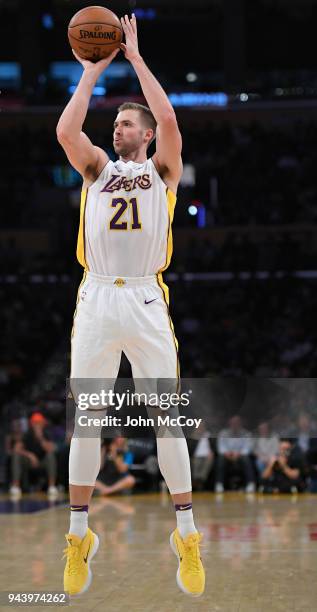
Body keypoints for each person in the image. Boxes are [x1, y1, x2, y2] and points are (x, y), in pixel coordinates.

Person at [57, 14, 205, 598]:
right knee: (87, 420)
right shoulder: (96, 168)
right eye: (114, 124)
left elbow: (168, 117)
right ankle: (77, 537)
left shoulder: (162, 171)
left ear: (142, 135)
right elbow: (68, 133)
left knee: (167, 419)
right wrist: (92, 73)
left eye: (123, 124)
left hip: (145, 296)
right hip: (95, 295)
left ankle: (187, 536)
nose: (115, 128)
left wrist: (136, 59)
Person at [9, 412, 58, 499]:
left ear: (43, 424)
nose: (37, 425)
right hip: (29, 462)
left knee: (50, 456)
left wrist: (41, 438)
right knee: (16, 457)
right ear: (31, 424)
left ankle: (52, 487)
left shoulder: (46, 434)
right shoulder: (27, 434)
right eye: (35, 423)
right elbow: (16, 449)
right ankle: (15, 486)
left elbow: (51, 449)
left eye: (39, 423)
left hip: (42, 462)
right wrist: (30, 455)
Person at [215, 415, 256, 493]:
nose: (235, 425)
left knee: (246, 458)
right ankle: (219, 484)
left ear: (240, 423)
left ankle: (250, 483)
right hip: (227, 456)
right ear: (229, 423)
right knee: (220, 459)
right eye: (233, 423)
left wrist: (238, 454)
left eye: (237, 423)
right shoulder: (223, 433)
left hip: (240, 456)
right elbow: (221, 447)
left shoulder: (246, 434)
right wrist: (227, 453)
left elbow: (248, 448)